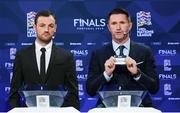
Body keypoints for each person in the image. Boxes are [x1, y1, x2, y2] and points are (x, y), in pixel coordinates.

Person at [86, 8, 159, 107]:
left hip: (139, 106)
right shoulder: (98, 53)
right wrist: (106, 74)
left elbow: (154, 88)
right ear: (109, 27)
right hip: (107, 107)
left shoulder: (145, 51)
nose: (118, 27)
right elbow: (90, 90)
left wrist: (137, 73)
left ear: (130, 26)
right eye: (114, 23)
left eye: (122, 22)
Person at [8, 10, 79, 110]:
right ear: (34, 27)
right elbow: (14, 93)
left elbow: (73, 93)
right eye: (42, 25)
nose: (46, 29)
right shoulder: (22, 56)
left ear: (55, 28)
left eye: (50, 26)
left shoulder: (66, 56)